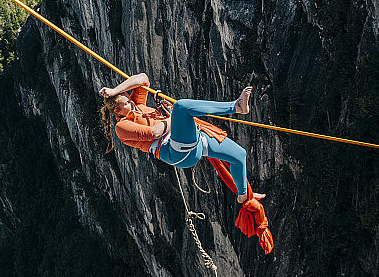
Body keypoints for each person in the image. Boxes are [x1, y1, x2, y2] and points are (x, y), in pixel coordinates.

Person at [99, 73, 264, 204]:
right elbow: (155, 132)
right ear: (117, 111)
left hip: (192, 140)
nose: (132, 103)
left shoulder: (137, 104)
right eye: (127, 103)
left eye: (129, 98)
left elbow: (142, 78)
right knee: (181, 107)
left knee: (239, 156)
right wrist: (173, 117)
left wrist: (114, 90)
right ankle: (236, 106)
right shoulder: (122, 127)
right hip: (174, 151)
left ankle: (243, 195)